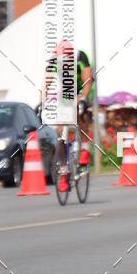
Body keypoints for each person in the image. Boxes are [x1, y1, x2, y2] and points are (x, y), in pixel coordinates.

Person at [42, 40, 93, 188]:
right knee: (60, 131)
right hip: (67, 92)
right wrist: (42, 103)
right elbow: (46, 84)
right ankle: (64, 171)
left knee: (79, 112)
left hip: (82, 89)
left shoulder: (80, 57)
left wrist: (83, 98)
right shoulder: (53, 60)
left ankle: (85, 149)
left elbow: (87, 80)